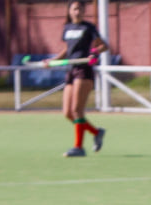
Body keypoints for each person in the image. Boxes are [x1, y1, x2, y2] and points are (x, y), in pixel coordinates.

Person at [56, 1, 107, 157]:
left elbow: (103, 46)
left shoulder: (89, 27)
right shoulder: (67, 28)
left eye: (80, 9)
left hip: (84, 69)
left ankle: (78, 147)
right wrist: (53, 60)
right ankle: (96, 132)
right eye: (75, 8)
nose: (78, 11)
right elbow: (67, 49)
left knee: (77, 110)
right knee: (67, 113)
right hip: (71, 69)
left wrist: (94, 53)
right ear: (70, 11)